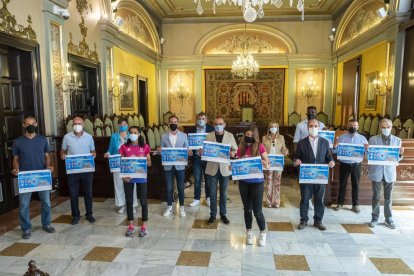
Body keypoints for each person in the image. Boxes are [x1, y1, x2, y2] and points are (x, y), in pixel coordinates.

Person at [12, 116, 55, 239]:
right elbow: (15, 158)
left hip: (42, 176)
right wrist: (16, 169)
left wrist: (49, 167)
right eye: (27, 123)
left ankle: (46, 224)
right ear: (23, 125)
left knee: (46, 202)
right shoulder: (17, 141)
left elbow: (47, 156)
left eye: (32, 123)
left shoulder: (42, 140)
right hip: (25, 177)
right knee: (24, 204)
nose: (30, 125)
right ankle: (26, 228)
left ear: (36, 124)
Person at [294, 118, 335, 231]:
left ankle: (318, 220)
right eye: (311, 126)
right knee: (305, 199)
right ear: (308, 128)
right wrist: (297, 160)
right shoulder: (302, 143)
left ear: (319, 127)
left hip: (320, 176)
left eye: (316, 126)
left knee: (319, 200)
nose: (313, 128)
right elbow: (296, 156)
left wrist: (331, 161)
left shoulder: (325, 142)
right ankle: (303, 220)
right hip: (306, 176)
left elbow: (328, 156)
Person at [368, 118, 404, 229]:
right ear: (380, 127)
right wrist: (368, 150)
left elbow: (397, 158)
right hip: (377, 171)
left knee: (388, 198)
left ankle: (388, 218)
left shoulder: (397, 140)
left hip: (389, 172)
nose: (386, 129)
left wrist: (400, 154)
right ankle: (375, 218)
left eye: (388, 127)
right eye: (383, 127)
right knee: (376, 196)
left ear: (391, 127)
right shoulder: (373, 139)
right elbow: (369, 156)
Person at [236, 127, 270, 246]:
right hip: (244, 182)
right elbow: (237, 162)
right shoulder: (241, 147)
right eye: (246, 134)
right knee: (247, 209)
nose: (248, 136)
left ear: (255, 136)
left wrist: (263, 162)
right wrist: (232, 167)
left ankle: (262, 233)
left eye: (250, 134)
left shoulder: (260, 147)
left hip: (257, 182)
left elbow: (268, 164)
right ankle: (249, 232)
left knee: (257, 211)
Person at [60, 117, 96, 225]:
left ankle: (89, 214)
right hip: (73, 171)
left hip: (87, 170)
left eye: (79, 123)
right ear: (72, 126)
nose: (77, 125)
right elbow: (63, 150)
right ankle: (75, 215)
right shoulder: (67, 137)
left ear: (83, 124)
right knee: (73, 194)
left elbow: (93, 151)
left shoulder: (89, 137)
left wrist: (94, 154)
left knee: (88, 193)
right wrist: (62, 155)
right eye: (75, 124)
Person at [204, 116, 237, 225]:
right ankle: (213, 214)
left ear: (224, 124)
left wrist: (233, 153)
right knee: (212, 194)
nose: (218, 126)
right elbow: (205, 150)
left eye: (220, 124)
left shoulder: (230, 135)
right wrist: (201, 151)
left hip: (225, 168)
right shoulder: (208, 136)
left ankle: (223, 214)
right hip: (212, 168)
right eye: (216, 124)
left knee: (223, 193)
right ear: (213, 125)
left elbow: (235, 149)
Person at [119, 126, 151, 237]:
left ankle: (144, 226)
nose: (133, 134)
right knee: (129, 201)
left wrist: (144, 162)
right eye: (131, 132)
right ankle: (131, 226)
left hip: (141, 177)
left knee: (143, 201)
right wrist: (123, 176)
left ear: (139, 134)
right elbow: (121, 163)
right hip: (128, 177)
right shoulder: (124, 147)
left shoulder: (145, 147)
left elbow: (149, 162)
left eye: (135, 132)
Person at [293, 106, 326, 210]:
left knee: (317, 186)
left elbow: (325, 141)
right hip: (304, 156)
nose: (311, 113)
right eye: (309, 112)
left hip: (318, 158)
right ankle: (307, 201)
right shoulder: (300, 125)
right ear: (306, 113)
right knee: (305, 184)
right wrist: (296, 157)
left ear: (316, 113)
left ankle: (316, 210)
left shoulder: (321, 125)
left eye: (313, 112)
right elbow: (296, 141)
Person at [333, 119, 368, 213]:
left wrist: (367, 148)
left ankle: (355, 205)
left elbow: (367, 154)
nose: (353, 127)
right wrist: (335, 145)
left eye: (355, 125)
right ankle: (340, 204)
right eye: (351, 125)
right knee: (342, 184)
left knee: (356, 185)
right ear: (347, 126)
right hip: (344, 164)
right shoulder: (341, 137)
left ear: (358, 127)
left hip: (356, 165)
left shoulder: (362, 139)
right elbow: (334, 152)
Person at [159, 115, 192, 217]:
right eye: (171, 122)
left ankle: (181, 207)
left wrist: (189, 151)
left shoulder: (184, 135)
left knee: (181, 187)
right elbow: (161, 151)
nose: (173, 123)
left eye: (175, 121)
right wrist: (159, 150)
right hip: (168, 166)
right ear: (168, 123)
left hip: (180, 166)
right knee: (169, 188)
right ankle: (169, 207)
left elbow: (187, 148)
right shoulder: (164, 136)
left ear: (178, 123)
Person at [104, 118, 138, 214]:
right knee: (118, 184)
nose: (122, 126)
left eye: (124, 124)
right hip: (117, 163)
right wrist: (107, 153)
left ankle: (132, 205)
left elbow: (136, 148)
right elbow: (110, 149)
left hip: (129, 163)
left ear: (127, 124)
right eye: (120, 124)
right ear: (118, 125)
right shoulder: (114, 136)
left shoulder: (131, 135)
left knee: (132, 184)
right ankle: (122, 205)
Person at [188, 112, 214, 207]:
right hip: (196, 158)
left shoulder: (211, 129)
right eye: (199, 118)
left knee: (208, 179)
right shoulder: (191, 130)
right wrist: (189, 149)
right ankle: (196, 199)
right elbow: (188, 144)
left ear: (206, 120)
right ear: (196, 119)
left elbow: (213, 143)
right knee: (197, 179)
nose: (201, 120)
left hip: (207, 158)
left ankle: (208, 198)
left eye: (203, 118)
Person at [262, 121, 289, 208]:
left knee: (277, 183)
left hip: (278, 163)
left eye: (275, 127)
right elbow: (262, 150)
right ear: (269, 128)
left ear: (277, 128)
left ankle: (276, 201)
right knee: (269, 182)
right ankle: (269, 201)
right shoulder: (264, 138)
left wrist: (285, 151)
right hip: (268, 163)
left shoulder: (281, 138)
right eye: (272, 127)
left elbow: (283, 149)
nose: (273, 128)